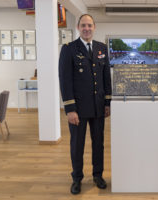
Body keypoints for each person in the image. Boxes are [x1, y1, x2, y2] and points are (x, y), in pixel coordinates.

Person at [59, 14, 111, 195]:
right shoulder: (69, 49)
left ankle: (98, 175)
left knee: (99, 144)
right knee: (77, 145)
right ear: (78, 27)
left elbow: (106, 78)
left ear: (94, 27)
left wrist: (107, 103)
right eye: (83, 25)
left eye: (89, 25)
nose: (86, 28)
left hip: (98, 107)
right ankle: (77, 178)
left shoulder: (101, 48)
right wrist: (70, 109)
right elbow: (65, 81)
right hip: (78, 109)